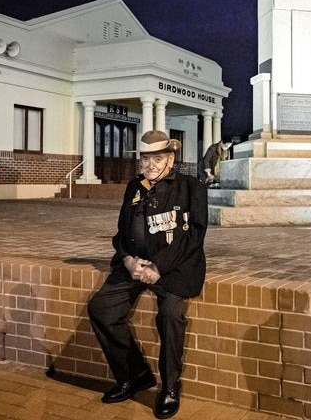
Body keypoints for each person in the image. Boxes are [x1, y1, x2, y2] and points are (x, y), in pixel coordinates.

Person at [88, 130, 208, 419]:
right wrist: (128, 260)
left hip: (174, 268)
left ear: (170, 159)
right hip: (136, 265)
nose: (150, 164)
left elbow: (195, 235)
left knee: (170, 316)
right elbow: (121, 233)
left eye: (157, 158)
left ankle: (169, 387)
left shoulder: (190, 187)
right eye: (145, 158)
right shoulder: (134, 188)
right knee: (101, 308)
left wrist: (159, 267)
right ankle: (134, 376)